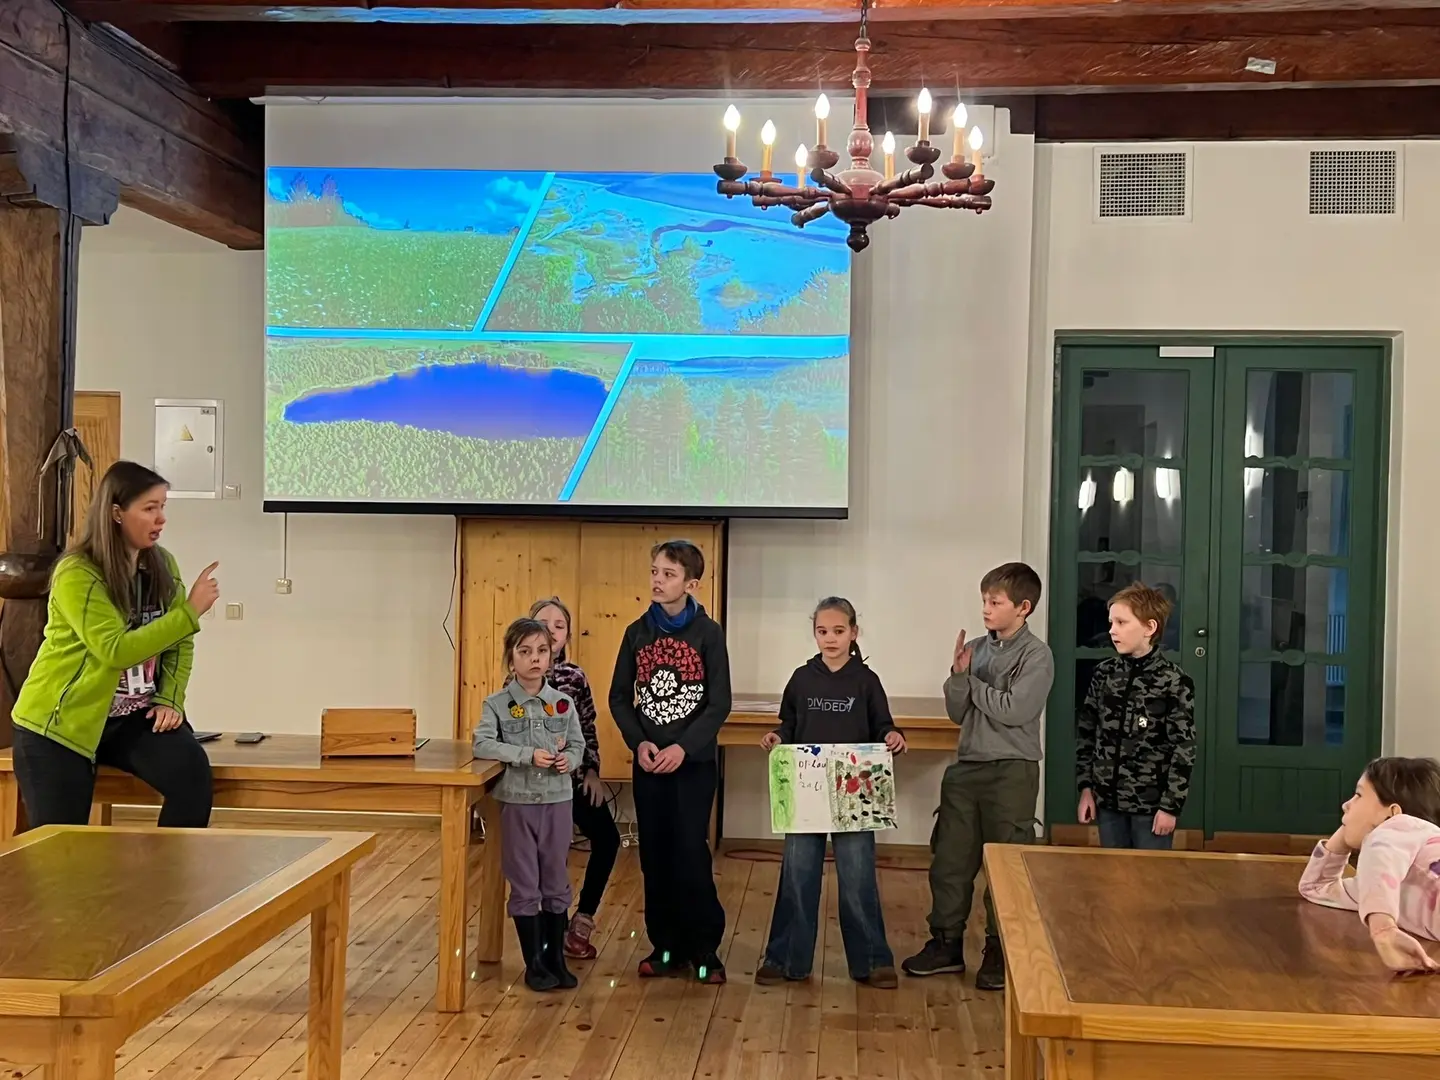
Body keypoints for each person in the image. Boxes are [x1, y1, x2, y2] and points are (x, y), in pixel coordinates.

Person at [10, 461, 220, 829]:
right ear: (117, 513)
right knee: (62, 847)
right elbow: (116, 650)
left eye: (163, 506)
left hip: (131, 717)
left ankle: (169, 868)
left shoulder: (162, 565)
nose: (161, 519)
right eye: (150, 508)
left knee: (191, 775)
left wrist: (170, 698)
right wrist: (190, 611)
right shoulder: (78, 572)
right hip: (61, 722)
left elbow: (179, 642)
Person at [903, 562, 1054, 991]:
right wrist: (958, 677)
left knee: (1005, 866)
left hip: (1012, 771)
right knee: (950, 860)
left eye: (995, 602)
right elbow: (957, 712)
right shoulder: (974, 649)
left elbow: (1015, 710)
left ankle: (999, 950)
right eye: (984, 600)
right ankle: (945, 944)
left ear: (1023, 608)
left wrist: (972, 684)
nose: (986, 609)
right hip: (967, 766)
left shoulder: (1037, 656)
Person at [756, 597, 905, 989]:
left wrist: (892, 736)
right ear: (814, 633)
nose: (830, 638)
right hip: (806, 793)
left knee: (857, 877)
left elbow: (883, 726)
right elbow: (789, 724)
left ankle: (872, 961)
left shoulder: (866, 681)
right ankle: (785, 958)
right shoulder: (801, 679)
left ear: (854, 632)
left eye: (839, 631)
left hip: (854, 794)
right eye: (822, 631)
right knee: (798, 875)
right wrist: (778, 737)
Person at [609, 539, 731, 983]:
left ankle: (704, 948)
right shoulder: (636, 633)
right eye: (655, 572)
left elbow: (719, 703)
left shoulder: (708, 634)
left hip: (693, 767)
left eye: (669, 574)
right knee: (655, 856)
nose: (658, 581)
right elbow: (619, 698)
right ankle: (665, 946)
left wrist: (684, 748)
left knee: (689, 853)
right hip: (650, 766)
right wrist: (639, 743)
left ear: (691, 584)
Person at [473, 617, 585, 992]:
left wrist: (570, 759)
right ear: (511, 659)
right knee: (524, 882)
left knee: (555, 880)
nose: (534, 659)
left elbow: (577, 745)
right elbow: (482, 744)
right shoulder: (497, 704)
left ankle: (556, 961)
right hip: (517, 804)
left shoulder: (563, 704)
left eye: (542, 651)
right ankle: (534, 964)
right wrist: (524, 755)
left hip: (557, 802)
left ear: (551, 656)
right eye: (525, 652)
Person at [527, 596, 621, 960]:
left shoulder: (575, 677)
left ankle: (583, 918)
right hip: (537, 786)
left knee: (608, 839)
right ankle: (555, 930)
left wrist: (592, 770)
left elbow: (588, 726)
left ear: (567, 635)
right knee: (550, 854)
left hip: (574, 778)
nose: (551, 631)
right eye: (543, 624)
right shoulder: (518, 678)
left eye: (559, 626)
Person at [1075, 582, 1196, 850]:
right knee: (1113, 872)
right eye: (1111, 622)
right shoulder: (1104, 675)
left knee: (1150, 873)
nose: (1112, 630)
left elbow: (1183, 748)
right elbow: (1087, 733)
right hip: (1107, 804)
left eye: (1121, 622)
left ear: (1149, 628)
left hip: (1150, 808)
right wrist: (1086, 789)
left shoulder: (1173, 681)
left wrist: (1170, 806)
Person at [1299, 757, 1440, 973]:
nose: (1345, 805)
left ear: (1391, 813)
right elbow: (1315, 887)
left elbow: (1381, 854)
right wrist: (1345, 834)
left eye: (1358, 795)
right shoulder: (1377, 890)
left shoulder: (1403, 825)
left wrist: (1383, 928)